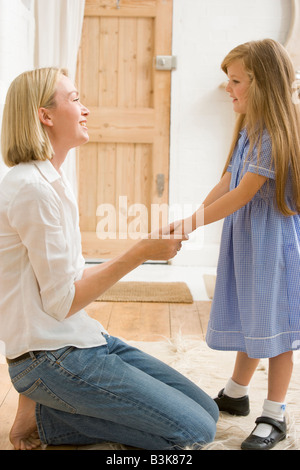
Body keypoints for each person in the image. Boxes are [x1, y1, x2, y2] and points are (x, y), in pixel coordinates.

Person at [0, 68, 219, 451]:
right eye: (74, 99)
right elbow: (62, 301)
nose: (85, 110)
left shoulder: (51, 180)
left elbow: (64, 282)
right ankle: (45, 414)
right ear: (45, 116)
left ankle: (44, 416)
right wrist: (141, 253)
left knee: (208, 413)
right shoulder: (32, 190)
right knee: (194, 432)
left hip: (82, 340)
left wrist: (142, 248)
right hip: (52, 358)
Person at [170, 39, 300, 450]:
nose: (229, 88)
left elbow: (243, 193)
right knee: (251, 321)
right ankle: (236, 393)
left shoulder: (275, 134)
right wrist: (189, 222)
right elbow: (227, 181)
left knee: (275, 330)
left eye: (235, 81)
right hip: (247, 246)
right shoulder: (249, 128)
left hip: (272, 249)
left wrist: (192, 221)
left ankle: (275, 414)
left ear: (261, 84)